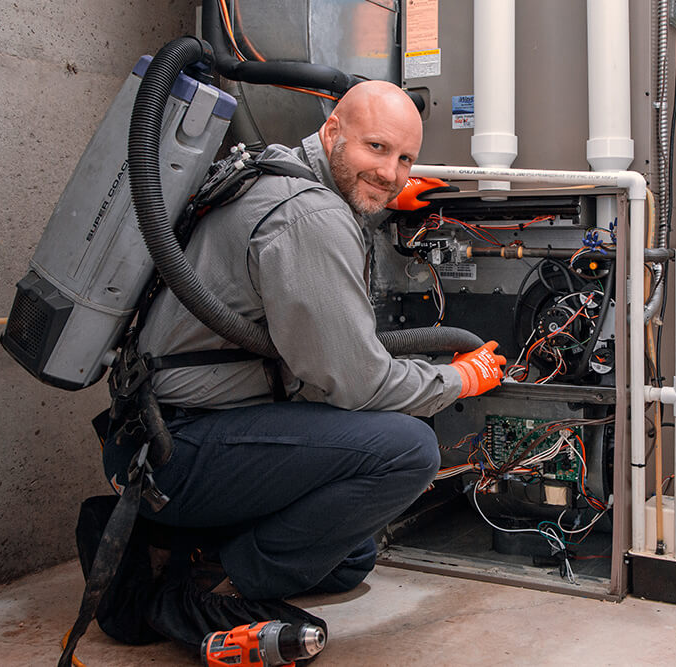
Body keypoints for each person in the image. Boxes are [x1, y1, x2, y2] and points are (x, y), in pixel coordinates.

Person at [99, 80, 506, 645]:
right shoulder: (308, 215)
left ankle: (174, 548)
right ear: (333, 130)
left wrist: (377, 198)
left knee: (348, 558)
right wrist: (458, 378)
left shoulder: (274, 170)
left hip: (160, 433)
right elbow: (360, 384)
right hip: (177, 453)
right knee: (408, 450)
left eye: (404, 159)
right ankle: (212, 586)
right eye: (377, 148)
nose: (391, 173)